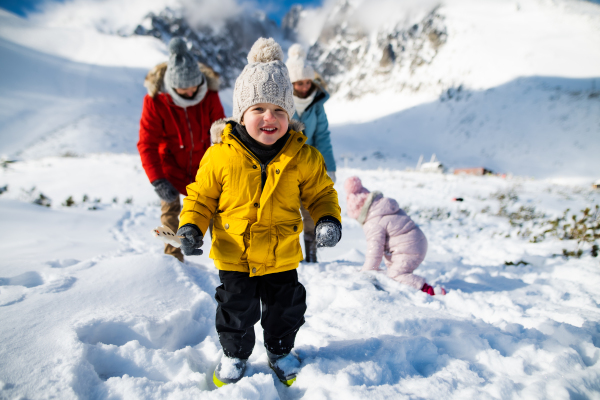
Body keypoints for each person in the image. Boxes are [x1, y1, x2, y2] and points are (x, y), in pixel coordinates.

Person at [175, 38, 342, 387]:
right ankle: (235, 355)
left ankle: (280, 351)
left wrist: (327, 218)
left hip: (282, 254)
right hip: (235, 254)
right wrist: (191, 225)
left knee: (286, 309)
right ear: (241, 113)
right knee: (236, 311)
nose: (270, 118)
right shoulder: (220, 155)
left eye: (280, 110)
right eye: (259, 109)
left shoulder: (303, 156)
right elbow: (201, 197)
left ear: (290, 114)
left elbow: (321, 193)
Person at [138, 37, 226, 262]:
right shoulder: (155, 102)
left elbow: (221, 134)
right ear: (171, 85)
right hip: (170, 169)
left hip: (204, 168)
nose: (189, 93)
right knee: (170, 213)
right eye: (182, 89)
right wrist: (157, 180)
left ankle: (227, 261)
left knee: (220, 212)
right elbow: (147, 143)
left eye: (192, 87)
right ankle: (173, 261)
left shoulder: (209, 97)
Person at [344, 176, 445, 296]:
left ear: (359, 211)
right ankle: (400, 288)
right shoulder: (382, 207)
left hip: (409, 247)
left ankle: (430, 290)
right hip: (415, 242)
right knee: (392, 271)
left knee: (395, 275)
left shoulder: (373, 222)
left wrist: (366, 272)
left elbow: (374, 251)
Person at [285, 44, 336, 263]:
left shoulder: (317, 104)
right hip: (284, 165)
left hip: (308, 166)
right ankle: (285, 254)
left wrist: (328, 167)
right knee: (284, 210)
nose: (304, 87)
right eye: (299, 83)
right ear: (290, 83)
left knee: (309, 209)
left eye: (307, 81)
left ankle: (311, 254)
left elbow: (322, 136)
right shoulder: (281, 102)